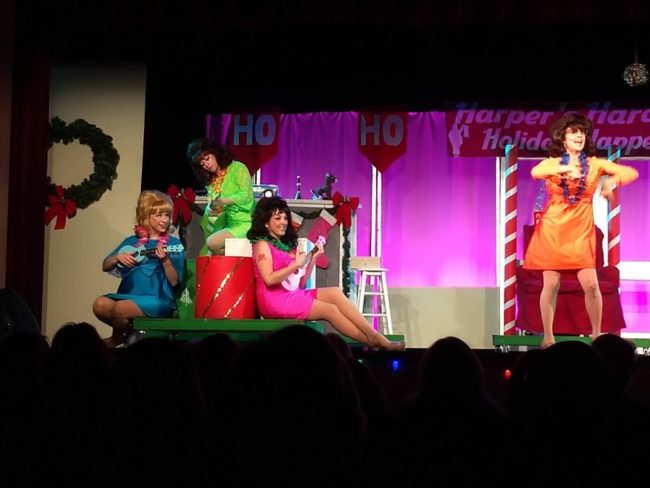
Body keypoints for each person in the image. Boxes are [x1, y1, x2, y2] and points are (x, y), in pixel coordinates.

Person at [523, 114, 638, 349]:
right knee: (551, 284)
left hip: (580, 232)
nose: (579, 136)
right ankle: (548, 336)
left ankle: (596, 335)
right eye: (573, 132)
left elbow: (630, 172)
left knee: (592, 285)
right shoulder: (553, 162)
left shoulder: (594, 164)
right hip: (554, 230)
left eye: (582, 132)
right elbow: (536, 172)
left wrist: (610, 182)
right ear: (563, 138)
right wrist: (565, 168)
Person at [247, 196, 405, 351]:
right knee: (330, 310)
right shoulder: (262, 245)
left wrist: (313, 259)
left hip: (290, 295)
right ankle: (375, 341)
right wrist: (296, 264)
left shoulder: (287, 248)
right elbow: (269, 279)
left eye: (285, 218)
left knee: (335, 292)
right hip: (274, 301)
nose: (283, 222)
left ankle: (374, 337)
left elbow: (299, 284)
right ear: (266, 223)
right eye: (277, 218)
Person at [92, 191, 185, 347]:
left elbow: (175, 281)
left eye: (167, 215)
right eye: (159, 215)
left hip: (158, 299)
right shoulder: (132, 241)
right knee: (99, 304)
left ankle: (116, 339)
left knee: (120, 309)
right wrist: (117, 258)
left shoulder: (172, 244)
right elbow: (105, 265)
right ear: (146, 216)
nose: (164, 220)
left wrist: (165, 261)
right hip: (129, 294)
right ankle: (130, 335)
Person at [186, 138, 255, 255]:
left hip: (247, 223)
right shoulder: (211, 181)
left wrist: (224, 201)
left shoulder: (237, 168)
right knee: (206, 253)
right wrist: (211, 209)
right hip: (227, 225)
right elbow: (212, 204)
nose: (206, 165)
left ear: (215, 152)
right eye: (202, 164)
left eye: (207, 158)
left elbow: (246, 196)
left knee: (212, 243)